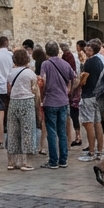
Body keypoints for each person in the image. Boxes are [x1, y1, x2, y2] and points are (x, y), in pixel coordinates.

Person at [39, 41, 78, 169]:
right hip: (63, 101)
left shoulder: (45, 64)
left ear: (46, 52)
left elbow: (43, 81)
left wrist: (42, 94)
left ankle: (53, 160)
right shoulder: (65, 64)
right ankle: (63, 159)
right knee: (62, 131)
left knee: (51, 131)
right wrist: (70, 90)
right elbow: (74, 77)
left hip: (50, 100)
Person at [4, 47, 40, 170]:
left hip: (14, 102)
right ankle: (26, 162)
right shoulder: (30, 73)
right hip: (27, 101)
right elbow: (34, 89)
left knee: (13, 131)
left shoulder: (10, 73)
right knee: (27, 131)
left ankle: (12, 161)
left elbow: (8, 90)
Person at [78, 40, 104, 161]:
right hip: (96, 95)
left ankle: (91, 152)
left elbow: (83, 79)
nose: (86, 51)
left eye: (89, 49)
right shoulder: (100, 61)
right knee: (97, 123)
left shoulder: (89, 62)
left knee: (88, 124)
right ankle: (100, 151)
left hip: (88, 95)